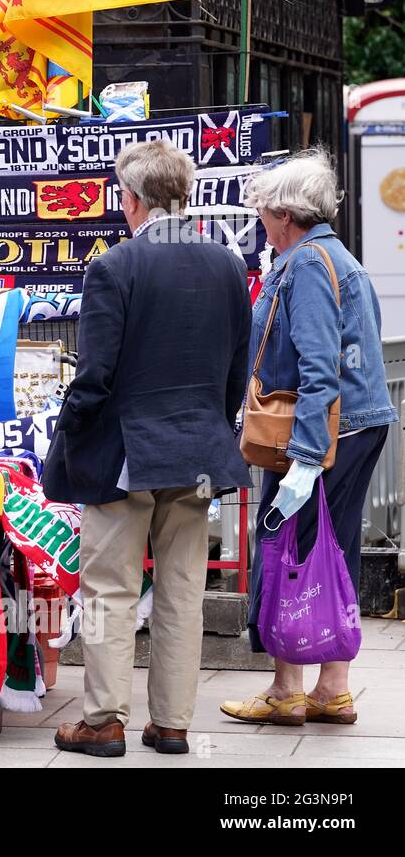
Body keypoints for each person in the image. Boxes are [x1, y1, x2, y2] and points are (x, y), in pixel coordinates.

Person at [44, 140, 253, 757]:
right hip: (197, 454)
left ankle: (105, 721)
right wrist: (211, 427)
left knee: (109, 588)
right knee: (185, 589)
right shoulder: (226, 264)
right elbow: (236, 370)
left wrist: (71, 436)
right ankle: (171, 724)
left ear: (131, 199)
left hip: (125, 454)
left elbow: (94, 376)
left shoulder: (116, 266)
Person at [220, 149, 398, 727]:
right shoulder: (338, 257)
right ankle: (332, 689)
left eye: (265, 213)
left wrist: (301, 459)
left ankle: (286, 689)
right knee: (332, 552)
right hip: (356, 424)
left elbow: (319, 368)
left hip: (320, 432)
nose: (262, 225)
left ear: (286, 214)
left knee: (289, 552)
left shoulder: (304, 265)